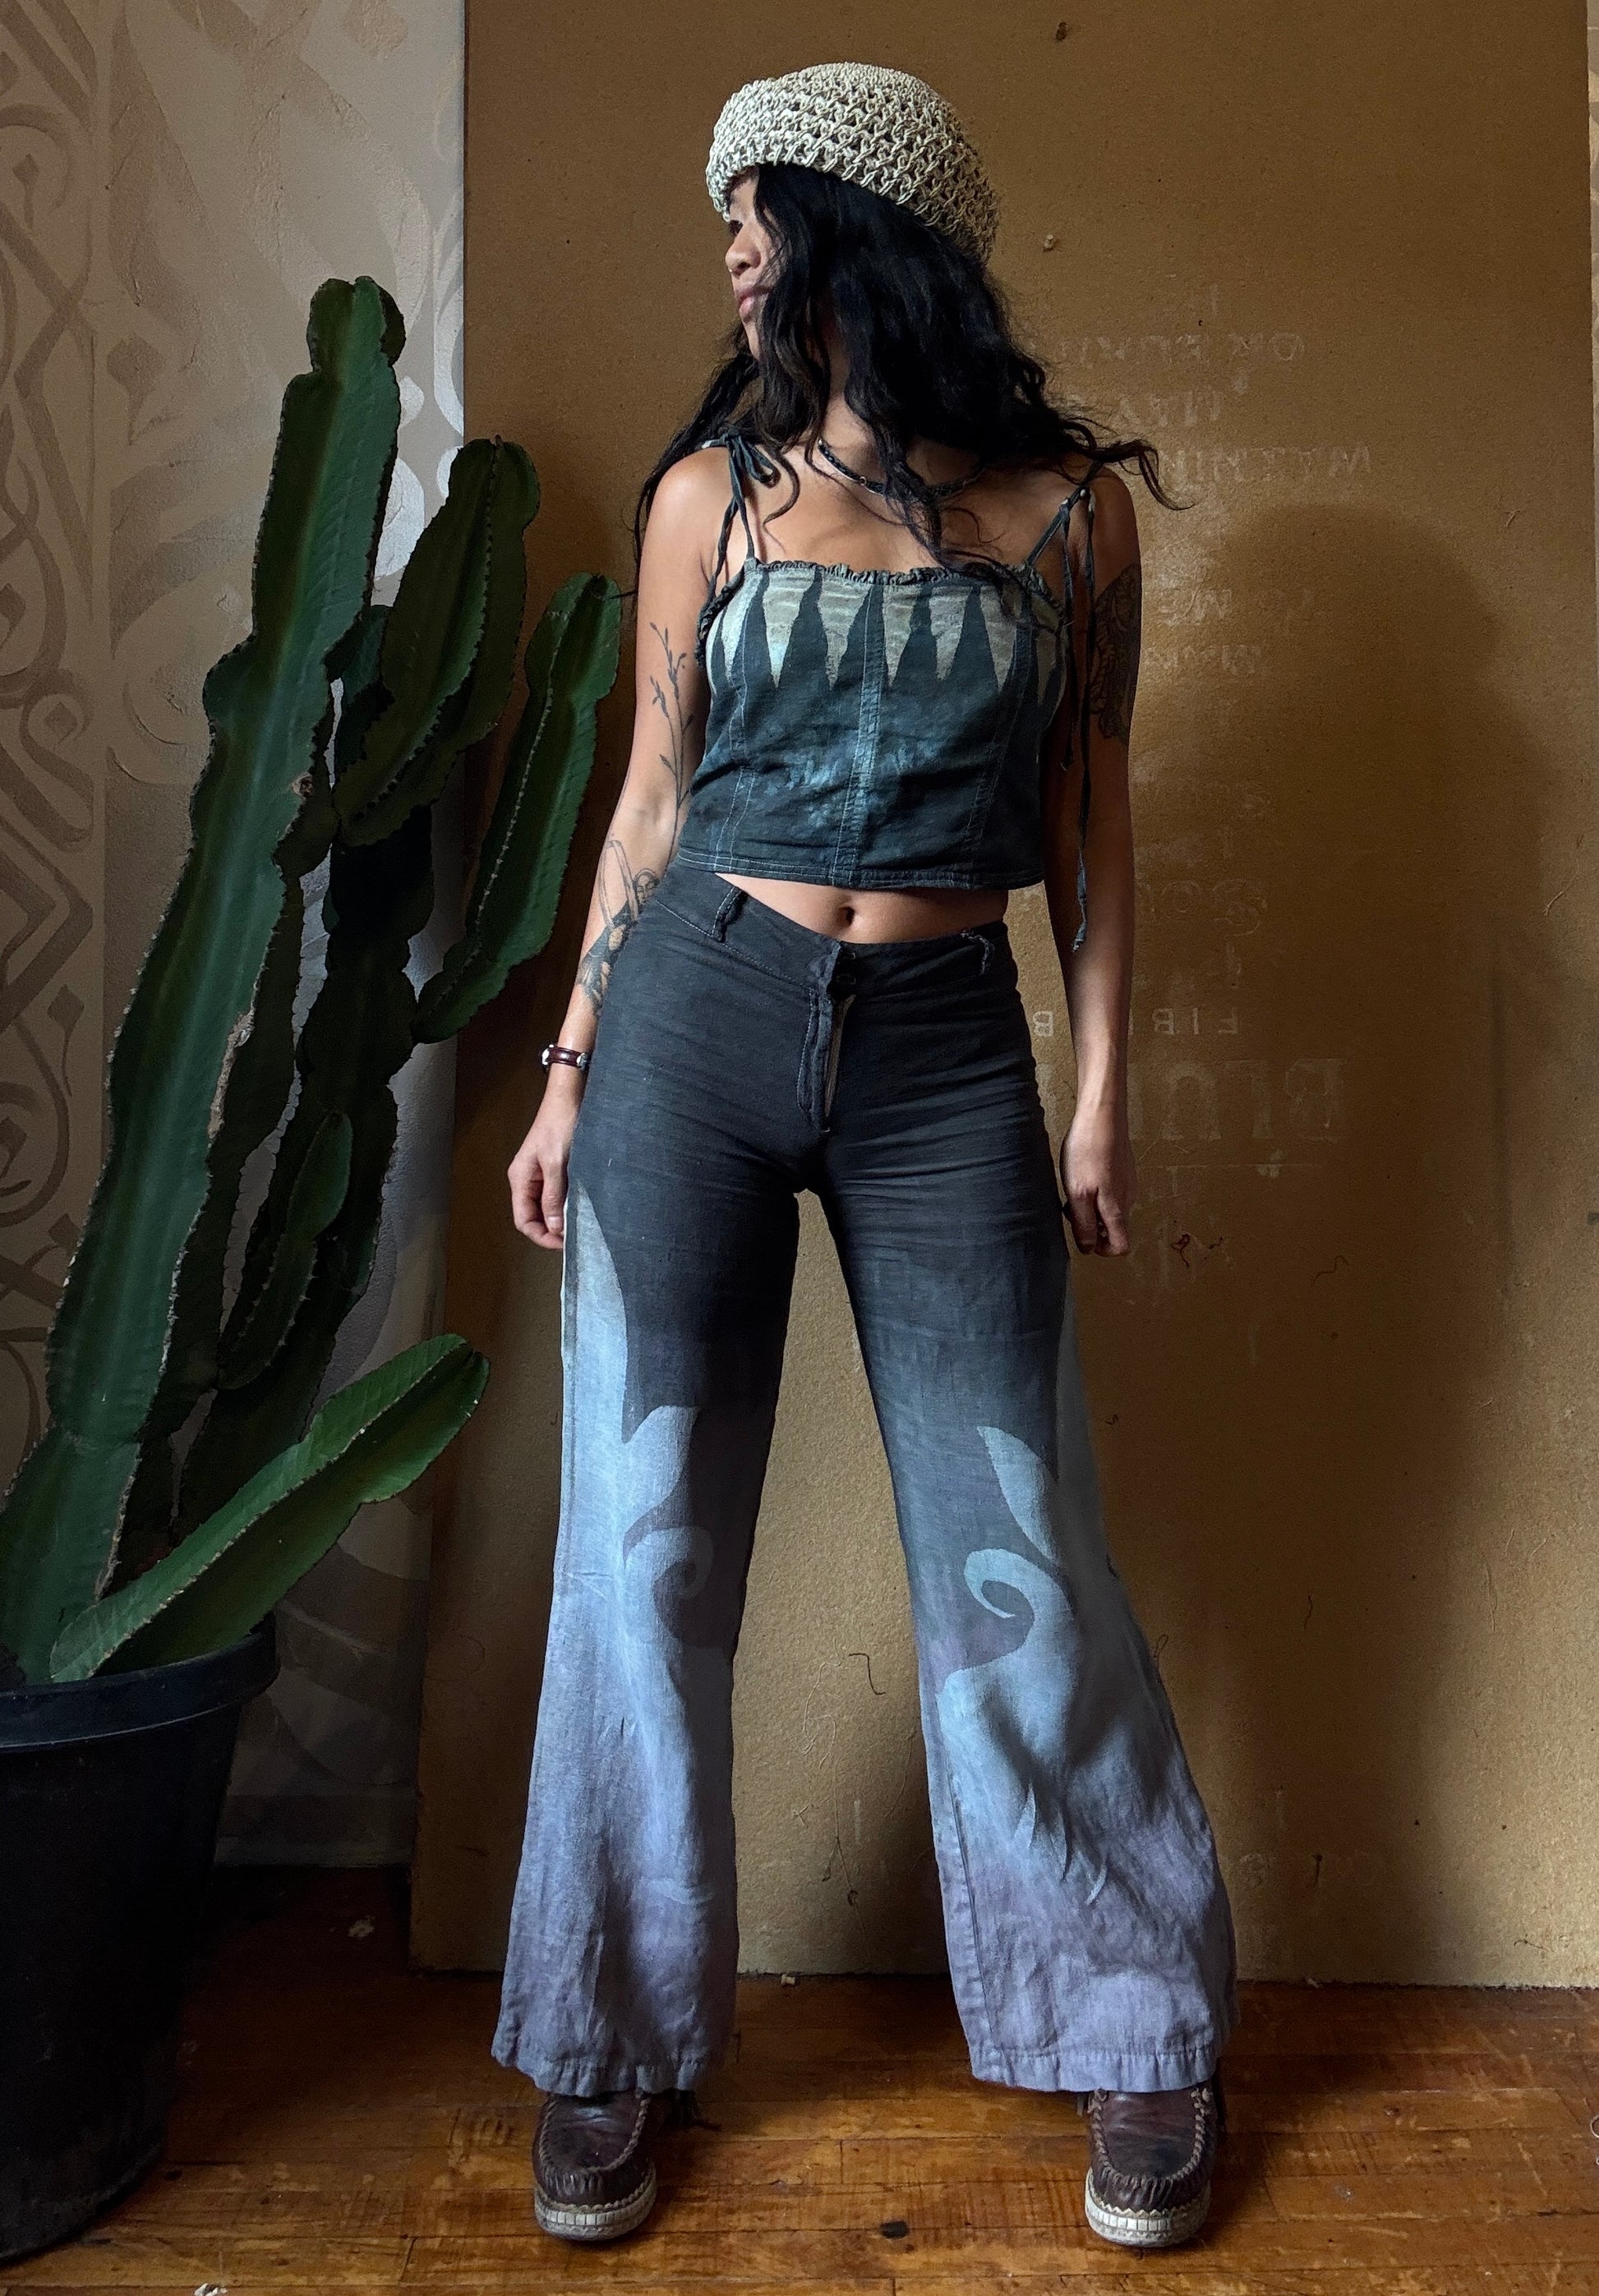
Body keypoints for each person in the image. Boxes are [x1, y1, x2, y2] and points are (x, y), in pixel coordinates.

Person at [495, 59, 1238, 2256]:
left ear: (862, 234)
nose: (731, 250)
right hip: (693, 1029)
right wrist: (566, 1070)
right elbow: (651, 799)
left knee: (1019, 1543)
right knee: (640, 1545)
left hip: (939, 1052)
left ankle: (1130, 2027)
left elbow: (1091, 818)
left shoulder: (1070, 516)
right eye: (724, 219)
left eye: (760, 210)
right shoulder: (705, 501)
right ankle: (608, 2042)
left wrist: (1098, 1087)